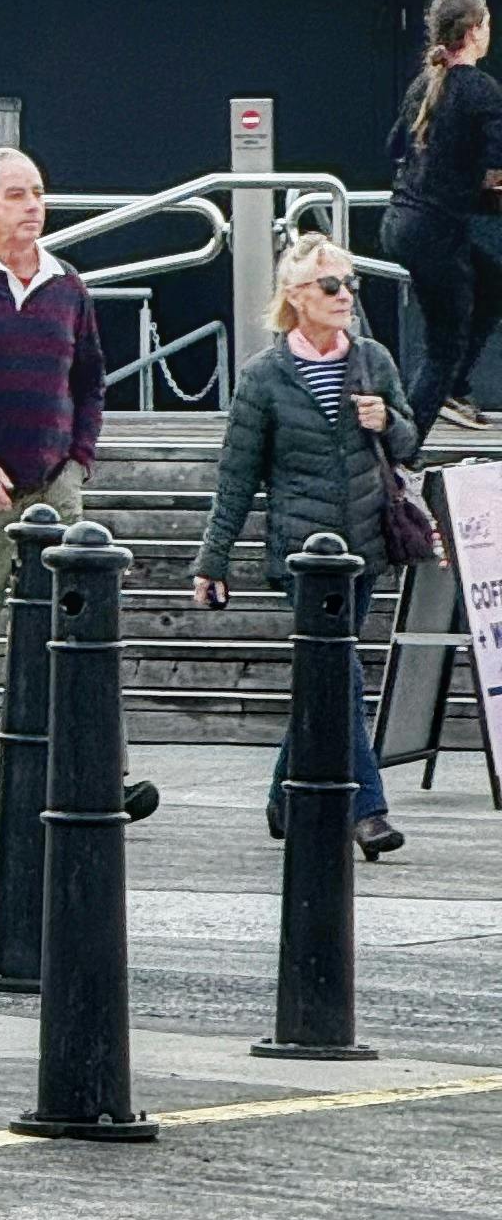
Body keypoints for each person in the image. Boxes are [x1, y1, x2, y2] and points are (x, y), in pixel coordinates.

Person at [0, 145, 157, 835]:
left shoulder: (66, 286)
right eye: (16, 194)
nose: (32, 206)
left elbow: (89, 380)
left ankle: (102, 775)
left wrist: (79, 460)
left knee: (80, 638)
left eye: (38, 193)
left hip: (55, 489)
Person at [191, 232, 409, 861]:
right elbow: (237, 473)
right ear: (297, 295)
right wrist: (214, 557)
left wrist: (386, 422)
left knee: (327, 674)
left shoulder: (373, 359)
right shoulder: (264, 377)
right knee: (341, 670)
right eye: (331, 285)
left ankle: (284, 796)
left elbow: (409, 441)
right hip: (303, 555)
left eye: (351, 284)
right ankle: (367, 809)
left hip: (365, 546)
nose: (345, 296)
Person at [380, 0, 502, 447]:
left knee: (490, 283)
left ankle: (451, 389)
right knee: (442, 348)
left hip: (401, 221)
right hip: (433, 233)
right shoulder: (480, 90)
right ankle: (400, 457)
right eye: (486, 23)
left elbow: (394, 147)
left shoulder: (423, 84)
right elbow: (497, 161)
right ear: (473, 31)